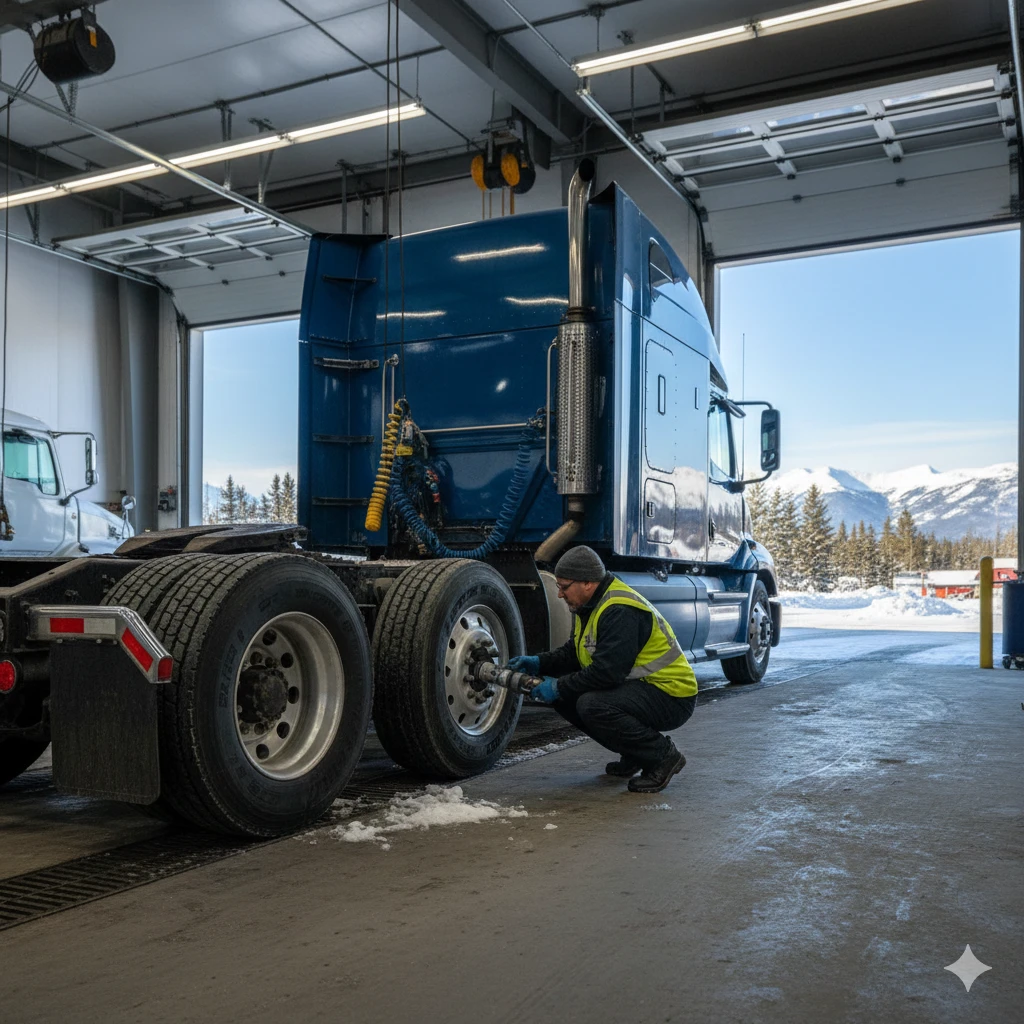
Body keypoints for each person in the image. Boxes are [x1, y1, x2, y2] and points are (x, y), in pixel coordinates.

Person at [510, 545, 697, 794]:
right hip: (645, 689)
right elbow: (575, 653)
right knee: (567, 697)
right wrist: (539, 662)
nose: (559, 595)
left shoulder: (619, 610)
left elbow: (607, 673)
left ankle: (662, 756)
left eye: (564, 587)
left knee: (591, 704)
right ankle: (634, 753)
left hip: (673, 695)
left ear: (587, 583)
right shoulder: (589, 604)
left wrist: (558, 686)